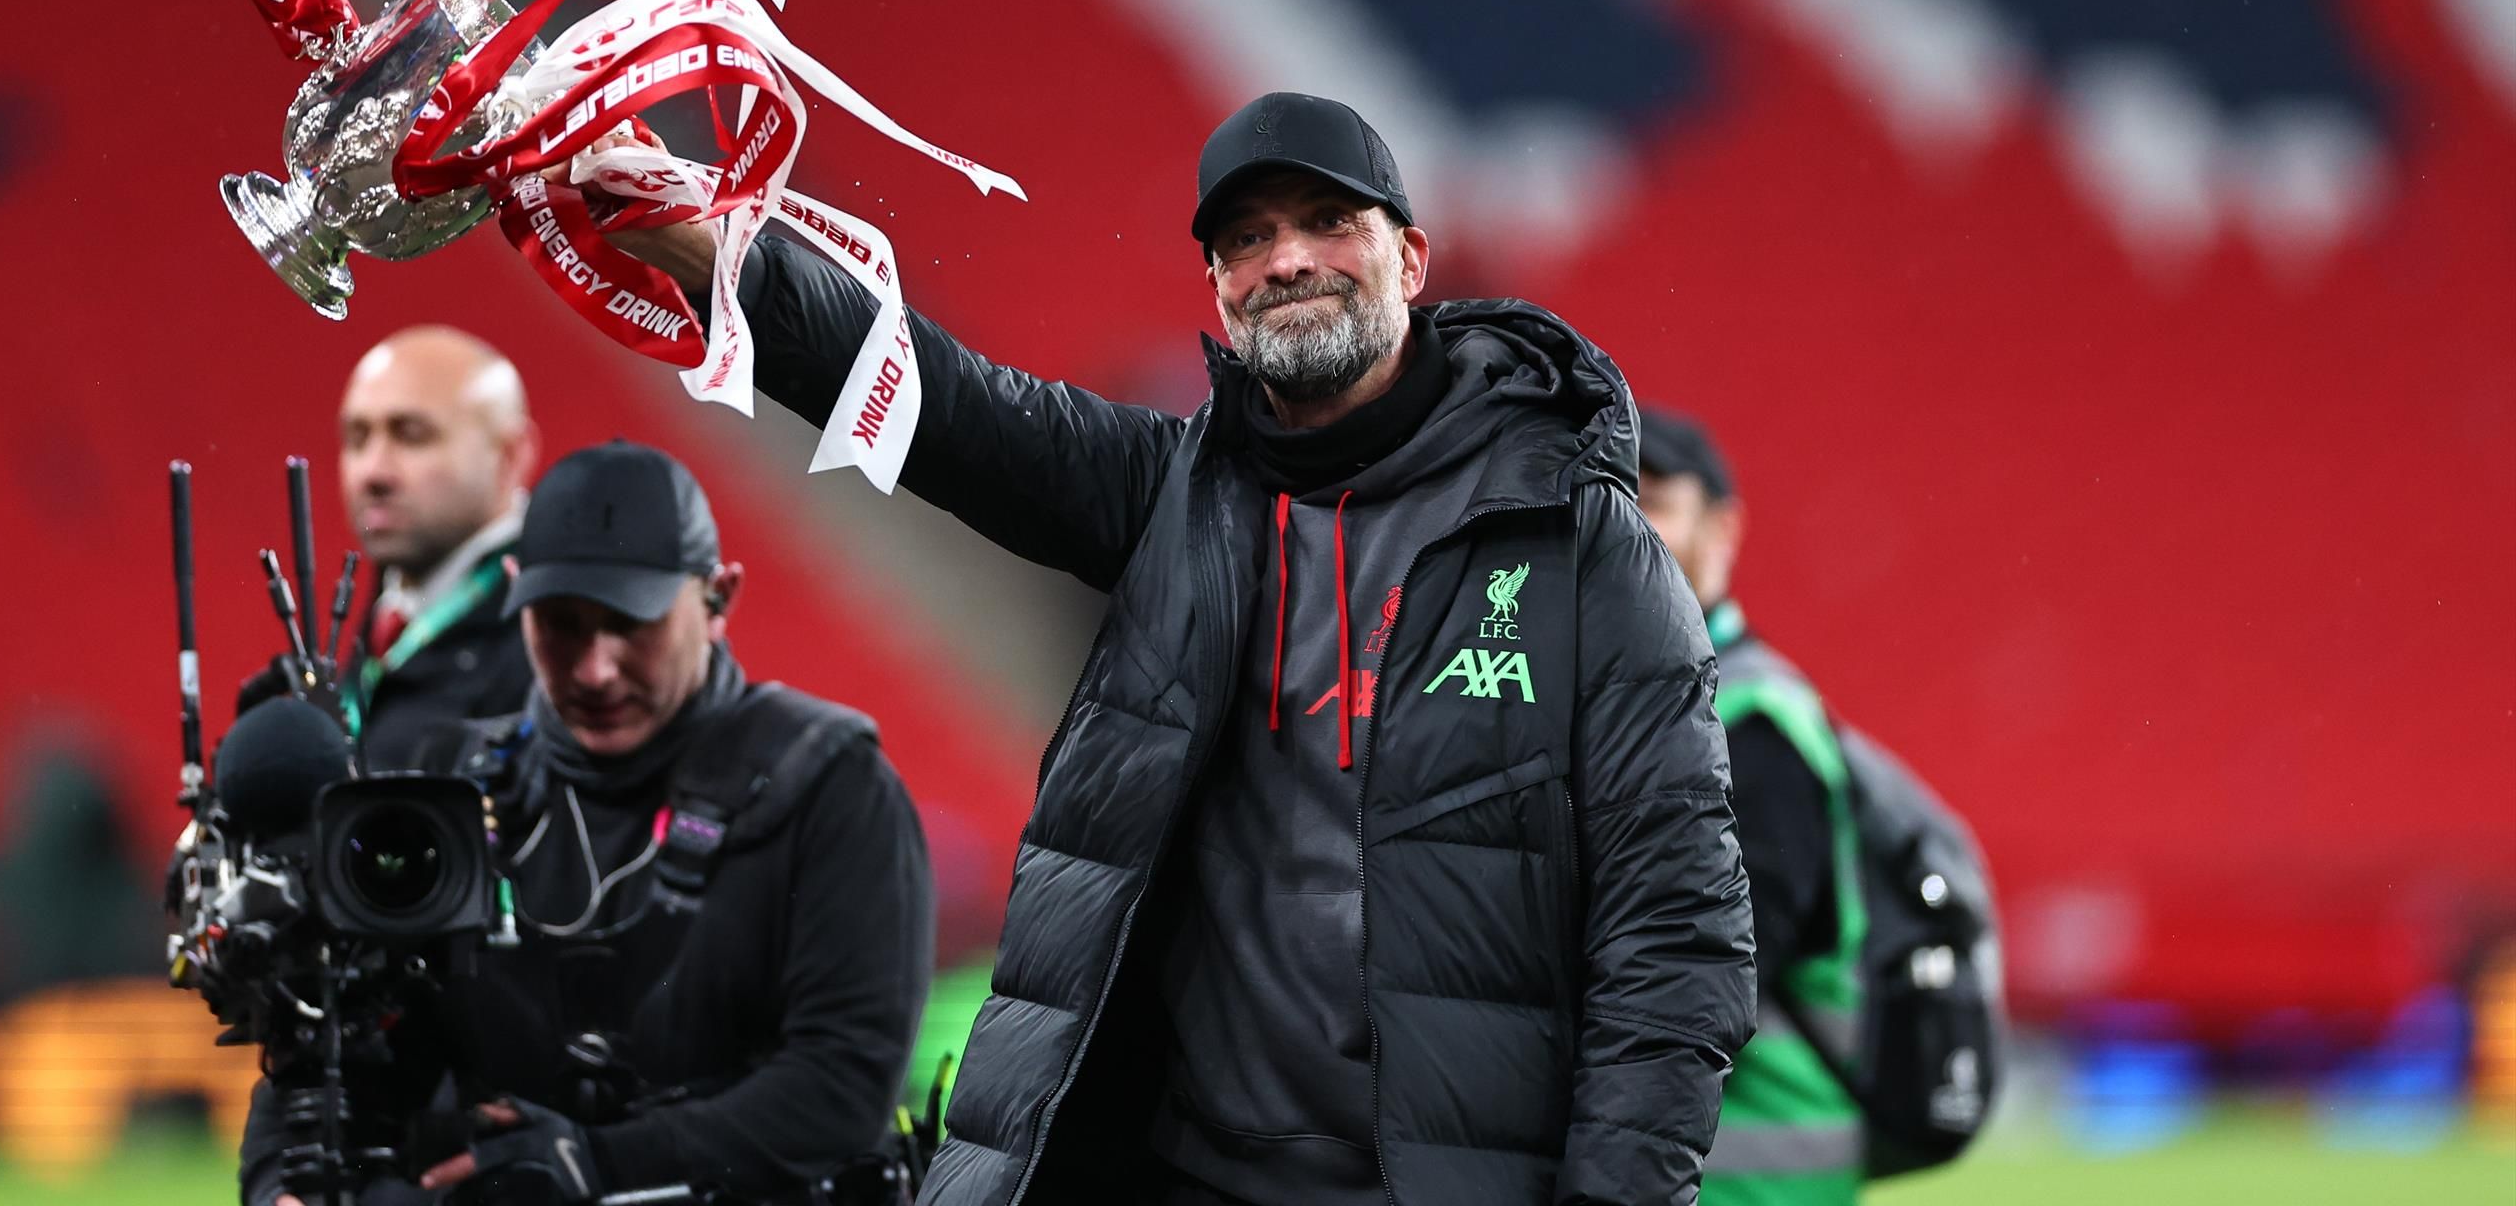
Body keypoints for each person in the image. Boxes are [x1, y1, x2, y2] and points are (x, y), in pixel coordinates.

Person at [594, 92, 1755, 1206]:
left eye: (1327, 221)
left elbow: (1677, 932)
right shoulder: (1171, 496)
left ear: (1409, 260)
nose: (1285, 259)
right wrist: (715, 254)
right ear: (1217, 288)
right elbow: (941, 401)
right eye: (1245, 238)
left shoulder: (1580, 548)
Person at [238, 440, 936, 1206]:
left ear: (718, 598)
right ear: (516, 595)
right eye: (561, 624)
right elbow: (338, 1046)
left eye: (630, 624)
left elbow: (842, 1086)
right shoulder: (447, 791)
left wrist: (598, 1165)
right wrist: (282, 1187)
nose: (596, 669)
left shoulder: (833, 786)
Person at [1636, 408, 1863, 1205]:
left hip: (1754, 1177)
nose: (1628, 525)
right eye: (1611, 498)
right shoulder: (1644, 702)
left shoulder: (1755, 721)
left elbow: (1726, 973)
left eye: (1653, 500)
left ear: (1723, 528)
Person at [235, 326, 538, 765]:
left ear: (509, 455)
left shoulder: (553, 630)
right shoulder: (389, 609)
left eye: (412, 435)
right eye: (357, 438)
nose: (373, 472)